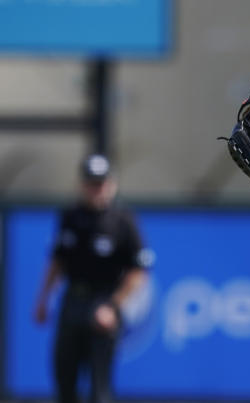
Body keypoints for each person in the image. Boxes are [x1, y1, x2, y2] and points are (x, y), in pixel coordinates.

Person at [33, 153, 153, 403]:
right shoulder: (70, 216)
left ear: (112, 184)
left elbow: (138, 271)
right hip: (72, 300)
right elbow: (57, 261)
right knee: (64, 377)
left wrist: (113, 306)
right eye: (91, 183)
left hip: (104, 300)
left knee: (99, 388)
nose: (96, 189)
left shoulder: (122, 220)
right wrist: (43, 300)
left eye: (101, 182)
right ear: (82, 184)